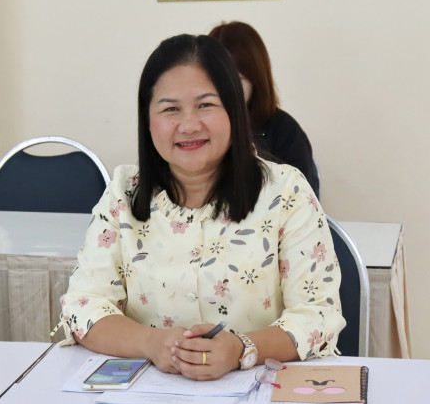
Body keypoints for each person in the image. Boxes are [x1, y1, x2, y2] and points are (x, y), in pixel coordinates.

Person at [59, 34, 344, 381]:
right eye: (170, 109)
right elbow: (84, 305)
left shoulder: (286, 192)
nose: (189, 125)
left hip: (259, 395)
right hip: (146, 397)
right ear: (147, 119)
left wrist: (240, 349)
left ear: (234, 111)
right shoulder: (124, 192)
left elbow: (318, 315)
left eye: (206, 105)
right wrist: (152, 343)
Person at [208, 21, 320, 197]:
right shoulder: (195, 127)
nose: (225, 90)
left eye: (237, 80)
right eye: (216, 80)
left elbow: (304, 201)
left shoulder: (285, 132)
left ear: (256, 79)